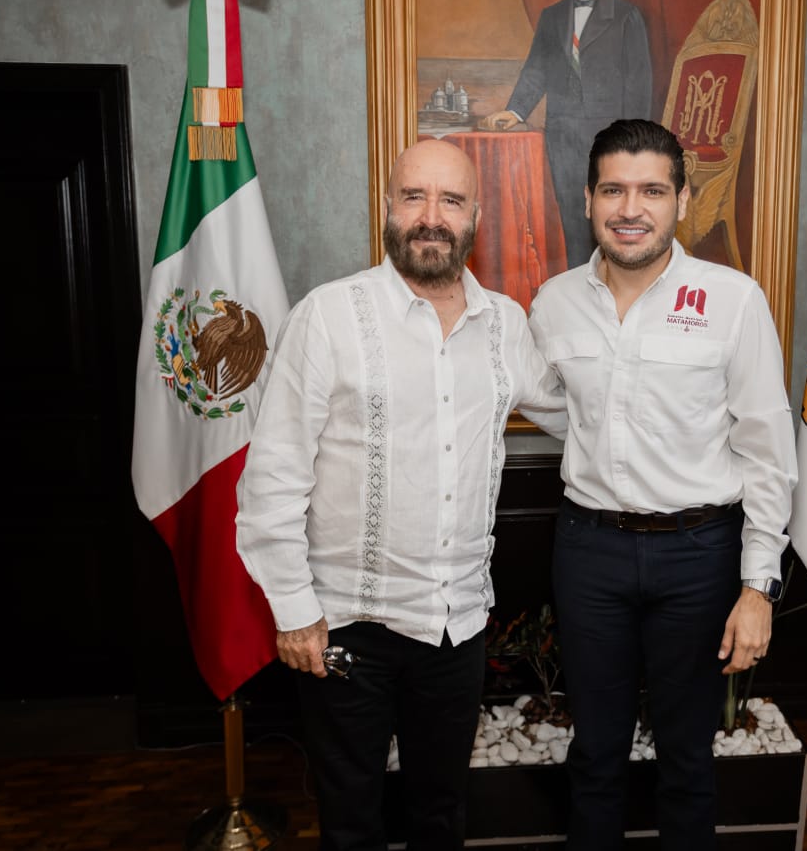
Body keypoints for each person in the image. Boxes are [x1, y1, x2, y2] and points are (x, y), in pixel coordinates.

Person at [236, 139, 564, 851]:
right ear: (388, 207)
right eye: (414, 196)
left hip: (457, 626)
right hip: (347, 628)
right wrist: (294, 612)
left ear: (475, 218)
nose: (431, 216)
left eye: (451, 200)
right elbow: (272, 479)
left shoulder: (504, 324)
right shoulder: (328, 316)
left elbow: (576, 411)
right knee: (351, 820)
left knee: (440, 814)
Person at [526, 119, 798, 849]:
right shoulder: (553, 302)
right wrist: (603, 435)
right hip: (589, 551)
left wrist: (757, 588)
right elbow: (549, 403)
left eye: (651, 190)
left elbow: (767, 449)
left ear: (682, 199)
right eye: (613, 190)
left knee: (687, 757)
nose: (630, 208)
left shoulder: (733, 300)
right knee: (595, 754)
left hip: (699, 554)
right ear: (588, 200)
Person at [478, 0, 652, 270]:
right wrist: (515, 111)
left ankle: (614, 282)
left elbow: (638, 83)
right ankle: (577, 283)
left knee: (611, 216)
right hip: (562, 134)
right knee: (571, 219)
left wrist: (633, 139)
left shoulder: (626, 16)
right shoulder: (552, 16)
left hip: (609, 137)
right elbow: (536, 69)